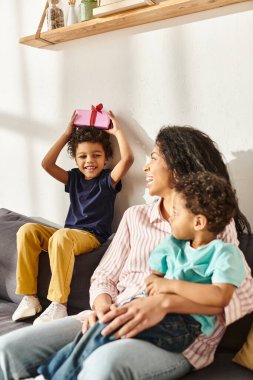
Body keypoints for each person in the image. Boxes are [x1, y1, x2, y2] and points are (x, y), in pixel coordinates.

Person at [0, 126, 252, 380]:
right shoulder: (135, 217)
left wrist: (162, 304)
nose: (145, 167)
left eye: (154, 158)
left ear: (177, 170)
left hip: (178, 336)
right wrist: (102, 307)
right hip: (117, 313)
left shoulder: (210, 224)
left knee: (103, 365)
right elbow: (104, 278)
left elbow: (237, 294)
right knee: (7, 350)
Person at [12, 110, 134, 325]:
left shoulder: (107, 180)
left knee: (62, 237)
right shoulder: (75, 178)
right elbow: (46, 164)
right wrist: (67, 133)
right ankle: (29, 297)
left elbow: (128, 159)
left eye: (96, 155)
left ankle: (59, 304)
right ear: (76, 159)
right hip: (67, 235)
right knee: (27, 230)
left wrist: (118, 131)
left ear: (106, 159)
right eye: (83, 156)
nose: (89, 161)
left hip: (91, 236)